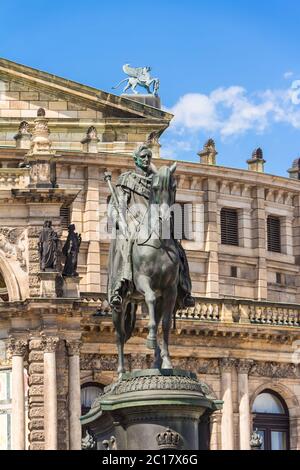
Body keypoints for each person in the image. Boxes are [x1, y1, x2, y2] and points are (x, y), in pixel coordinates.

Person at [107, 144, 195, 309]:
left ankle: (184, 289)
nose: (146, 160)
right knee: (124, 244)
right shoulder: (126, 179)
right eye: (143, 157)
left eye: (149, 157)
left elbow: (165, 202)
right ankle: (118, 287)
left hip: (154, 222)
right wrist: (121, 221)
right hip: (133, 221)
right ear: (136, 159)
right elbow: (116, 206)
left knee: (177, 248)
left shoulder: (157, 181)